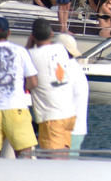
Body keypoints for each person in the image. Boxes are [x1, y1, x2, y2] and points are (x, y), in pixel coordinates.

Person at [28, 18, 76, 150]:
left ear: (33, 37)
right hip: (69, 113)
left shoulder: (30, 55)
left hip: (51, 116)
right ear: (51, 34)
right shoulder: (60, 49)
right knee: (63, 156)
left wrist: (29, 45)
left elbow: (26, 73)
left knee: (53, 161)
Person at [0, 17, 39, 158]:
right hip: (16, 108)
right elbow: (33, 82)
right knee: (25, 155)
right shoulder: (20, 51)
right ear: (9, 32)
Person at [55, 34, 88, 152]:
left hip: (69, 130)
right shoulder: (75, 68)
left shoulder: (66, 69)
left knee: (61, 168)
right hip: (77, 128)